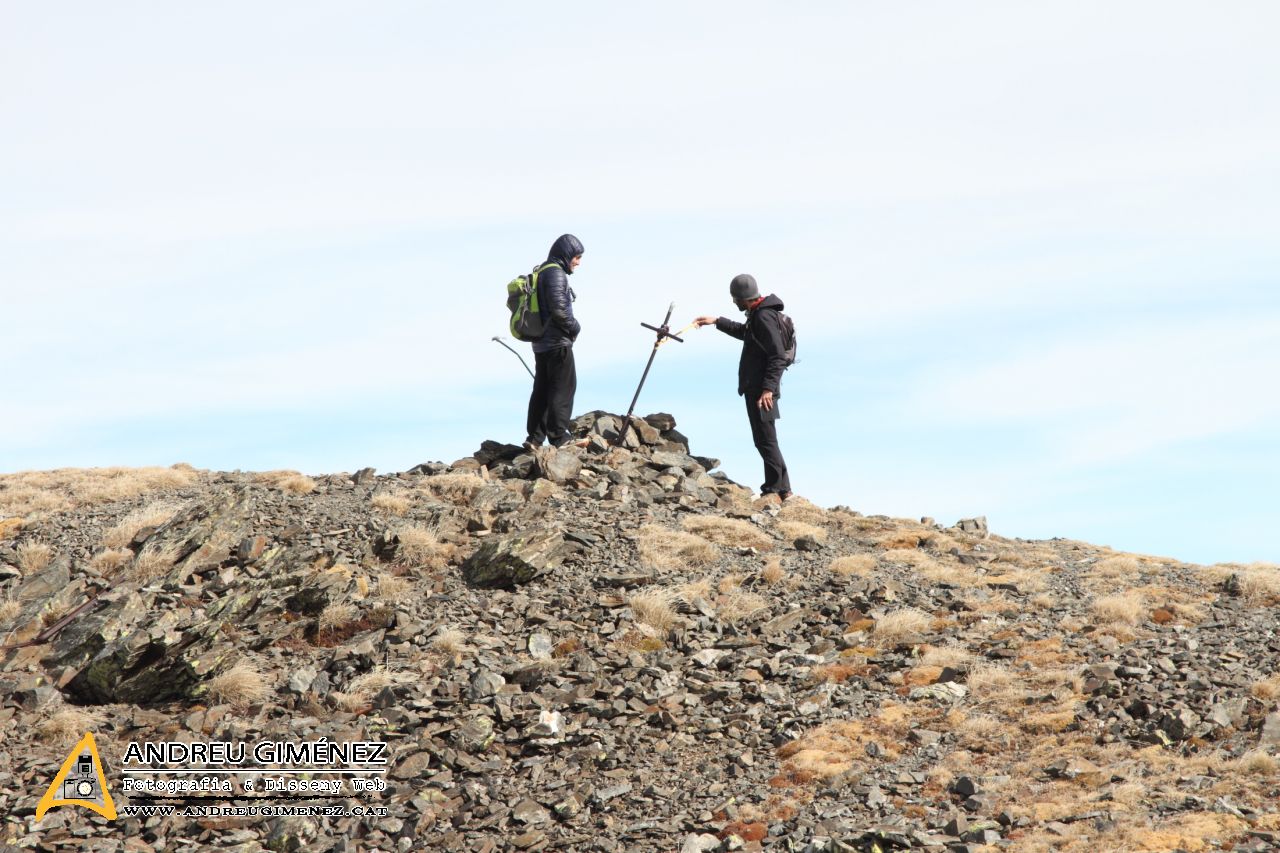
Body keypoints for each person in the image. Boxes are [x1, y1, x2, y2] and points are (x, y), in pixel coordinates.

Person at [695, 274, 791, 499]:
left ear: (744, 299)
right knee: (764, 439)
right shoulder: (758, 314)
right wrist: (717, 321)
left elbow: (777, 356)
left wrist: (768, 389)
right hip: (760, 389)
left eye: (735, 298)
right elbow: (745, 334)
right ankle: (778, 488)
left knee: (766, 440)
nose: (734, 302)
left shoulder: (763, 317)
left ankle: (779, 489)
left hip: (762, 391)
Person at [526, 233, 585, 448]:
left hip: (541, 343)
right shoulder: (556, 274)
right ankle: (560, 437)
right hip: (557, 343)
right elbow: (560, 310)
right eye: (576, 257)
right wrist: (575, 327)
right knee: (563, 388)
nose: (578, 262)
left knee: (542, 389)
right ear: (566, 254)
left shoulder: (541, 271)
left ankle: (534, 438)